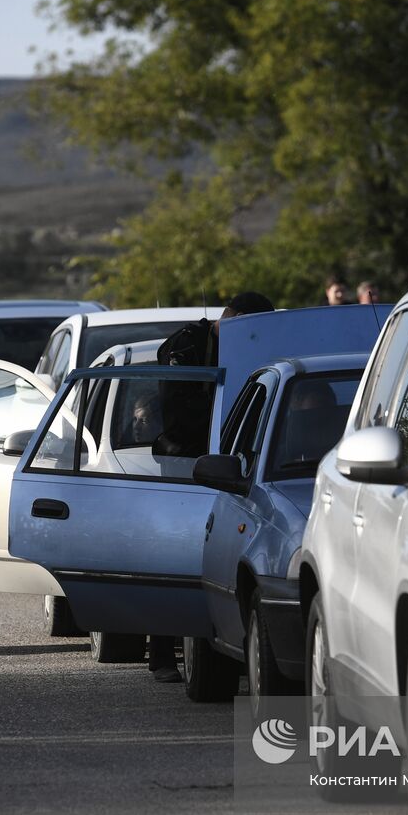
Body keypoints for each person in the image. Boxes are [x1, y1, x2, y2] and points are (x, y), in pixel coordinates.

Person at [147, 290, 274, 683]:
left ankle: (216, 646)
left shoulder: (252, 347)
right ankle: (163, 655)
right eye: (251, 328)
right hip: (185, 464)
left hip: (232, 464)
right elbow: (181, 410)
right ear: (234, 319)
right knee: (176, 559)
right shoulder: (186, 346)